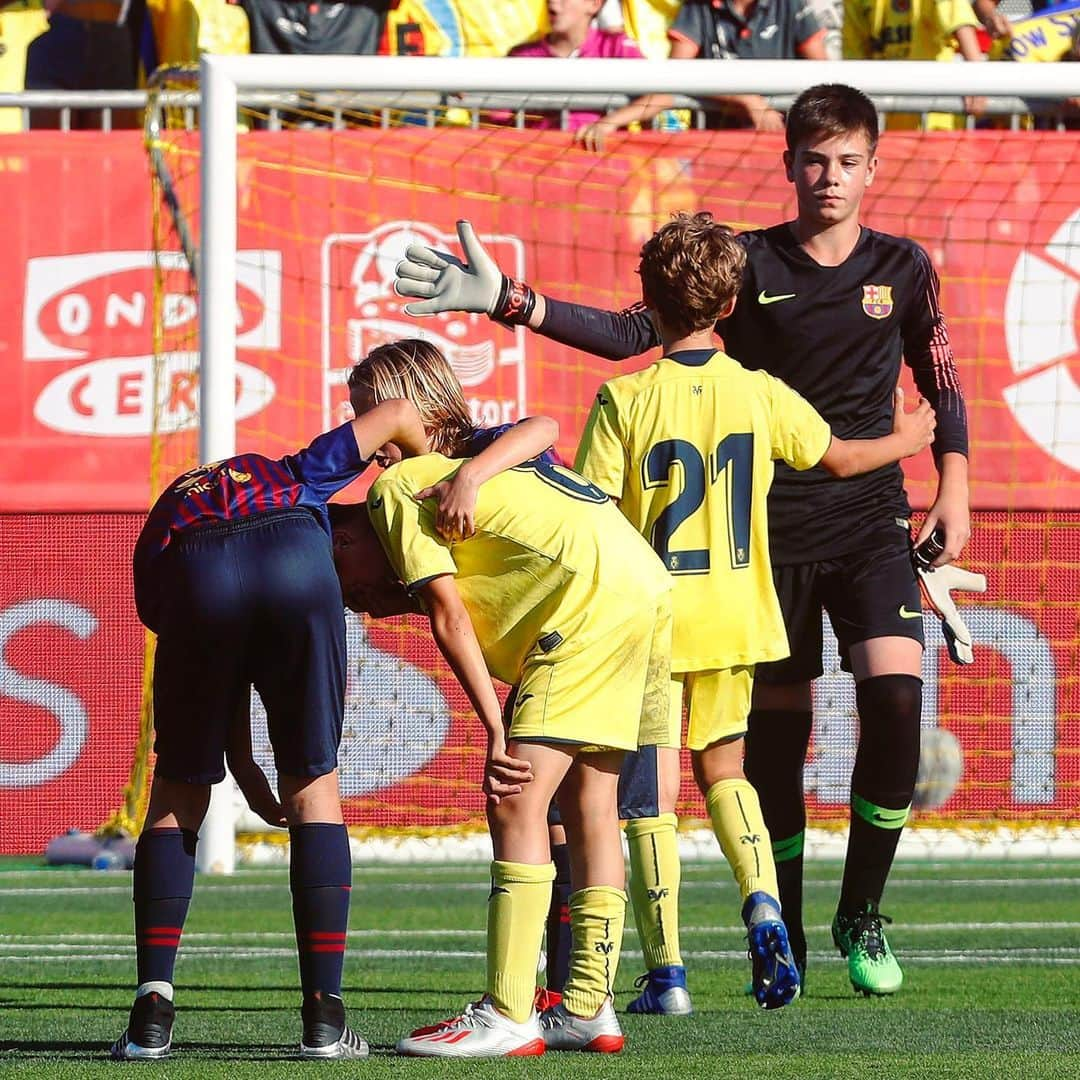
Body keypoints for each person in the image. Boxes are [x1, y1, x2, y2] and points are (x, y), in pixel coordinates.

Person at [392, 81, 972, 999]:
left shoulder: (903, 267)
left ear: (873, 167)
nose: (829, 175)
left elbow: (942, 377)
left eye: (847, 160)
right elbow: (636, 330)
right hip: (764, 543)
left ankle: (845, 917)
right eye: (814, 158)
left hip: (865, 523)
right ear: (788, 165)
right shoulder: (744, 265)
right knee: (763, 757)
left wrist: (955, 483)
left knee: (893, 702)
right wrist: (512, 300)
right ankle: (774, 911)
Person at [571, 210, 936, 1012]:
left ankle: (665, 972)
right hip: (738, 615)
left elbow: (593, 516)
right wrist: (909, 440)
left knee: (650, 798)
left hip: (654, 624)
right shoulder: (760, 392)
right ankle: (764, 906)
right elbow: (839, 456)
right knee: (729, 772)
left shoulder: (625, 398)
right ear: (731, 303)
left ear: (647, 300)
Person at [112, 399, 427, 1062]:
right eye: (369, 591)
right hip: (293, 554)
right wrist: (432, 482)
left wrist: (247, 777)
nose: (363, 601)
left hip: (186, 570)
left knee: (175, 794)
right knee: (315, 788)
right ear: (346, 534)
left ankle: (150, 1015)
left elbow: (212, 657)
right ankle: (323, 1021)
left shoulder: (253, 481)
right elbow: (400, 410)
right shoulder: (305, 476)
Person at [331, 448, 674, 1057]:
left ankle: (508, 1012)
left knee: (516, 801)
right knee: (593, 805)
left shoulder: (392, 494)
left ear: (342, 541)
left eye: (347, 593)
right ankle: (589, 1008)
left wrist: (494, 726)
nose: (360, 607)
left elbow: (448, 613)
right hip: (643, 586)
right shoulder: (468, 471)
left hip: (585, 602)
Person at [505, 0, 673, 152]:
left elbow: (662, 97)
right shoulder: (522, 55)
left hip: (602, 173)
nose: (553, 4)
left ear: (594, 4)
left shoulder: (615, 46)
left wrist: (608, 123)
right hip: (540, 169)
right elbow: (496, 119)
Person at [667, 0, 827, 132]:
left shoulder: (792, 4)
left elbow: (823, 73)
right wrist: (748, 100)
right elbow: (677, 74)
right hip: (718, 140)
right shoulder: (697, 6)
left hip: (780, 138)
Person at [842, 0, 988, 129]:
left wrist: (977, 80)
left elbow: (960, 23)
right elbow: (854, 57)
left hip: (936, 118)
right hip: (885, 124)